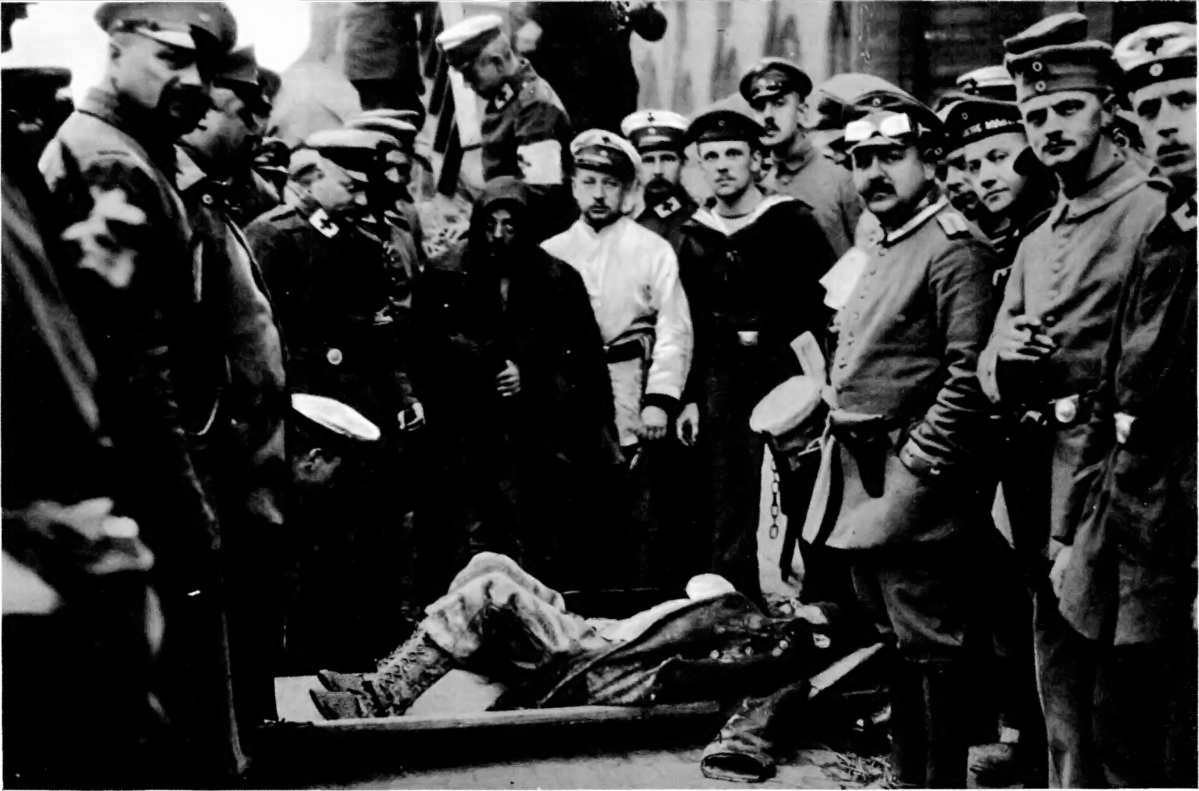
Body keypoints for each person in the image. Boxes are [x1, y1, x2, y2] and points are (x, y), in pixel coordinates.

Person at [37, 3, 249, 782]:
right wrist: (182, 494)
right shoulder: (111, 162)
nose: (188, 81)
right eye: (168, 59)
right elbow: (133, 356)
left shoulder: (136, 151)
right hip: (141, 462)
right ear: (118, 47)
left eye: (196, 66)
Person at [976, 13, 1174, 788]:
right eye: (1035, 115)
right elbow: (989, 363)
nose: (1050, 126)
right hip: (1042, 478)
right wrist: (1006, 359)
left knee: (1124, 693)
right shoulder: (1036, 235)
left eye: (1066, 108)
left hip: (1125, 482)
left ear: (1106, 111)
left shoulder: (1154, 210)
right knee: (1058, 676)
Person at [801, 87, 998, 787]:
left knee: (929, 637)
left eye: (892, 155)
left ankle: (934, 781)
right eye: (862, 160)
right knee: (891, 631)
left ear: (931, 161)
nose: (874, 173)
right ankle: (906, 775)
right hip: (862, 472)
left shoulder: (953, 249)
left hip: (912, 479)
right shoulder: (885, 239)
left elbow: (969, 373)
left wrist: (921, 460)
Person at [1038, 22, 1196, 788]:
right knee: (1118, 726)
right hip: (1130, 519)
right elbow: (1112, 389)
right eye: (1151, 106)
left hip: (1183, 533)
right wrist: (1073, 531)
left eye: (1186, 101)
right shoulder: (1168, 230)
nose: (1167, 124)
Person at [245, 128, 425, 669]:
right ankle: (305, 658)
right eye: (350, 186)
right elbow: (255, 336)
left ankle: (363, 657)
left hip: (359, 414)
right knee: (308, 546)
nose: (361, 198)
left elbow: (380, 333)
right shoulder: (272, 238)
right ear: (315, 176)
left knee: (366, 538)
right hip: (301, 416)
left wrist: (403, 395)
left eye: (366, 187)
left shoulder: (364, 246)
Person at [309, 551, 858, 721]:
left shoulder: (766, 643)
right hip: (595, 634)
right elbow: (700, 589)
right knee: (488, 563)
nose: (792, 610)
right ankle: (394, 672)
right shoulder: (744, 616)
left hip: (599, 661)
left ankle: (379, 697)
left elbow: (689, 662)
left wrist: (791, 626)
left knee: (493, 590)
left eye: (805, 614)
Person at [412, 176, 618, 589]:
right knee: (467, 540)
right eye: (490, 224)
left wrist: (531, 375)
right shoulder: (445, 274)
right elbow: (423, 352)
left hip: (536, 434)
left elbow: (582, 360)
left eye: (510, 225)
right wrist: (478, 369)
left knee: (536, 538)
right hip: (466, 433)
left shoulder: (558, 278)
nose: (498, 235)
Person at [175, 43, 290, 759]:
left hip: (246, 456)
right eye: (244, 113)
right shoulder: (178, 197)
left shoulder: (212, 197)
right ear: (201, 110)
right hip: (216, 454)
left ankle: (251, 736)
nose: (256, 129)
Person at [941, 95, 1058, 788]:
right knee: (1020, 602)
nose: (982, 175)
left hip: (1056, 448)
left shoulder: (1048, 232)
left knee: (1051, 602)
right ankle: (1030, 741)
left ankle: (1044, 753)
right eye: (967, 163)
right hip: (1012, 446)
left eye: (995, 157)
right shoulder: (1008, 239)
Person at [676, 109, 836, 604]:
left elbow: (825, 307)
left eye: (733, 154)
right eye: (711, 157)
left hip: (784, 374)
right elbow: (688, 324)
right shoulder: (693, 236)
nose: (723, 166)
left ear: (755, 160)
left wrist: (820, 381)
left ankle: (816, 602)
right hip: (723, 381)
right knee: (730, 493)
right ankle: (739, 605)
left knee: (800, 486)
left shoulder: (792, 222)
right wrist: (689, 397)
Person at [542, 128, 693, 589]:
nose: (598, 194)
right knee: (573, 497)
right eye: (588, 182)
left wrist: (660, 400)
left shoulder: (651, 249)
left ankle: (638, 598)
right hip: (568, 388)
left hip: (630, 380)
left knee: (636, 498)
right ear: (573, 186)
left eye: (610, 184)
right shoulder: (552, 252)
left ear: (627, 190)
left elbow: (674, 328)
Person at [436, 14, 574, 239]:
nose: (467, 84)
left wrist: (482, 228)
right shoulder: (508, 97)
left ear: (497, 62)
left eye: (470, 74)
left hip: (534, 234)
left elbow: (539, 194)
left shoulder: (534, 107)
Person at [741, 57, 862, 257]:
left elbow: (867, 256)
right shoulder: (757, 184)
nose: (768, 115)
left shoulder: (841, 179)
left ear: (802, 111)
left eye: (779, 103)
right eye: (760, 107)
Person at [511, 1, 667, 134]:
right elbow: (525, 36)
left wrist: (642, 10)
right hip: (560, 93)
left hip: (612, 96)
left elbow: (655, 29)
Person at [620, 108, 697, 245]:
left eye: (667, 159)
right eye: (648, 160)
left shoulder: (695, 224)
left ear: (683, 163)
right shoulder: (627, 219)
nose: (658, 170)